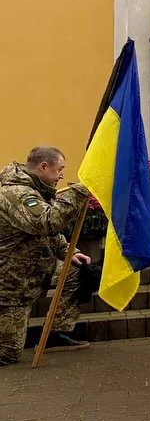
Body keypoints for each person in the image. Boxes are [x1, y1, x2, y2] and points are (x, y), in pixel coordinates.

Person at [0, 146, 93, 365]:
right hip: (10, 284)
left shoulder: (35, 191)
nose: (62, 175)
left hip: (31, 274)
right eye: (59, 169)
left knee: (76, 273)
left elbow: (46, 234)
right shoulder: (16, 194)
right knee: (7, 354)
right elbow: (46, 222)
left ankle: (54, 334)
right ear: (44, 166)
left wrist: (69, 252)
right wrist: (80, 190)